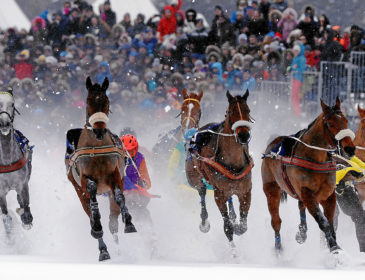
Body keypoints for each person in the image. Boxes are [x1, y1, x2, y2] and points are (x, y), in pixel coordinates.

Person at [335, 156, 365, 252]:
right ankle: (328, 248)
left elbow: (362, 166)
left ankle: (363, 251)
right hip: (328, 187)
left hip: (345, 188)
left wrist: (350, 157)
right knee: (332, 216)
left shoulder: (344, 152)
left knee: (360, 216)